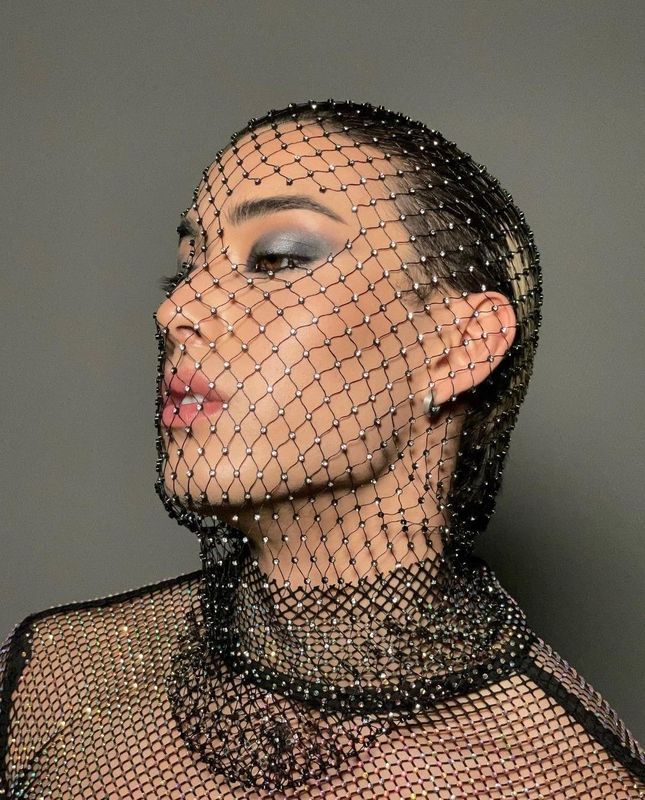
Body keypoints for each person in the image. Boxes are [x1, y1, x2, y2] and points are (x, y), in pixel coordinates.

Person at [1, 98, 643, 799]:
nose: (175, 310)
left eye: (276, 260)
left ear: (459, 346)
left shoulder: (564, 781)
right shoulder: (57, 677)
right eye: (185, 269)